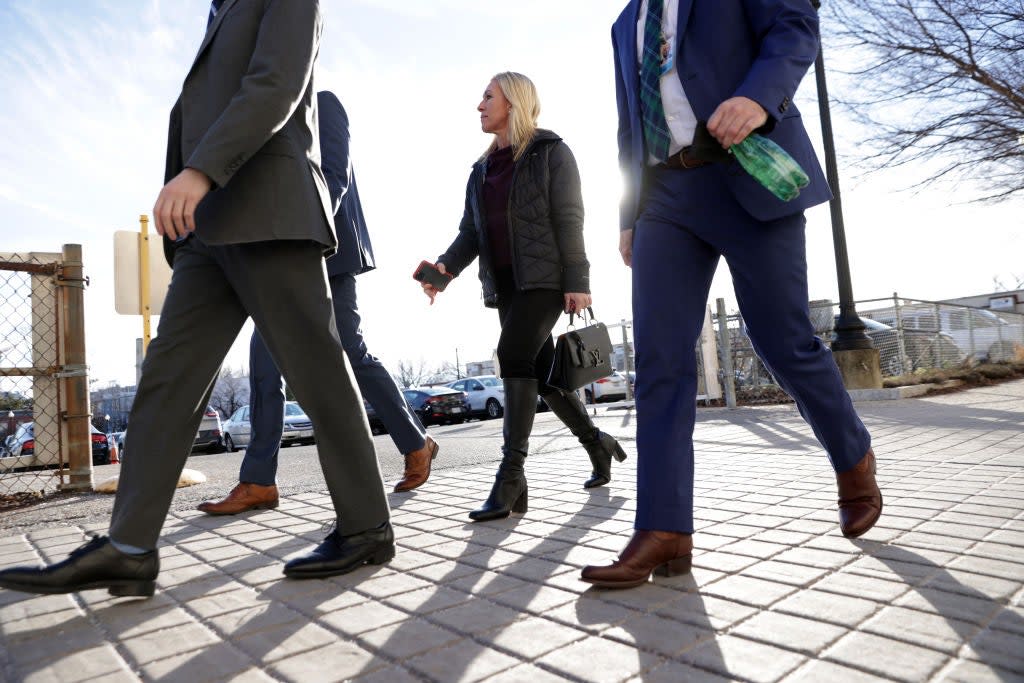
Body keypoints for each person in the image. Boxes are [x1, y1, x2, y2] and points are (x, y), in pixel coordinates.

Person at [0, 0, 394, 598]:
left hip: (268, 210)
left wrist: (200, 170)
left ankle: (366, 527)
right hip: (207, 231)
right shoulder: (220, 8)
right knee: (167, 377)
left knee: (317, 374)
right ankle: (130, 548)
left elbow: (276, 82)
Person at [581, 0, 882, 589]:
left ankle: (853, 457)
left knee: (783, 340)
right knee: (662, 361)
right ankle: (664, 527)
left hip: (751, 168)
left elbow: (794, 25)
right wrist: (627, 215)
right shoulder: (624, 23)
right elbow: (628, 124)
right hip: (664, 197)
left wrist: (757, 96)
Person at [197, 91, 439, 516]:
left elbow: (333, 177)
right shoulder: (260, 113)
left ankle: (416, 443)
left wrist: (306, 237)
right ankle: (258, 481)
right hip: (273, 257)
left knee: (351, 350)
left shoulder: (323, 103)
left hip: (326, 252)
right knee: (264, 368)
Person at [420, 72, 627, 523]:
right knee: (546, 377)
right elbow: (471, 233)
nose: (479, 105)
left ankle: (511, 474)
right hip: (507, 285)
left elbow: (571, 217)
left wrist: (578, 279)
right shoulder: (481, 170)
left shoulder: (552, 153)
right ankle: (599, 445)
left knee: (511, 356)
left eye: (487, 97)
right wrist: (444, 271)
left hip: (548, 281)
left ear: (513, 102)